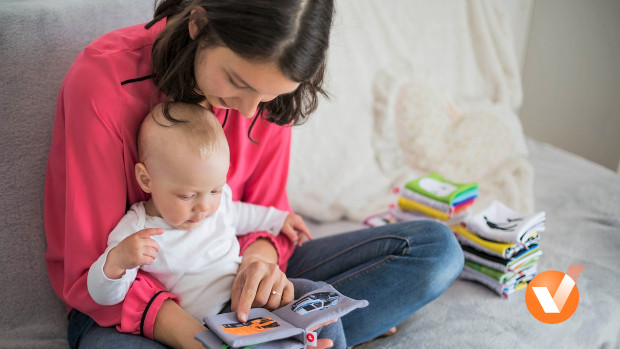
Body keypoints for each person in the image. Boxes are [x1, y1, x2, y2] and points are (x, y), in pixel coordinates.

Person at [44, 0, 464, 348]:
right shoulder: (101, 83)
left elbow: (265, 213)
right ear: (199, 23)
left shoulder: (265, 95)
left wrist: (258, 268)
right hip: (127, 308)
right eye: (236, 82)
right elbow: (91, 271)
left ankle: (290, 333)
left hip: (232, 275)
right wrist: (200, 340)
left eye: (272, 95)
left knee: (436, 251)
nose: (248, 112)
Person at [86, 102, 345, 346]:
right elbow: (105, 296)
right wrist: (117, 263)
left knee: (318, 295)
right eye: (187, 196)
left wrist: (279, 220)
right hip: (207, 326)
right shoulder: (137, 230)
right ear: (146, 179)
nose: (204, 207)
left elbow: (242, 214)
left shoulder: (216, 203)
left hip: (248, 299)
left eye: (215, 191)